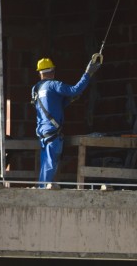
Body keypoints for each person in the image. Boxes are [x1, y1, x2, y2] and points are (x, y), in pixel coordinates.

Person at [32, 55, 101, 188]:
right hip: (52, 133)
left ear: (39, 73)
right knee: (50, 165)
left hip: (42, 133)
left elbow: (50, 106)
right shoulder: (53, 85)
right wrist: (88, 73)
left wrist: (69, 100)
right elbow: (75, 89)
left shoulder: (35, 90)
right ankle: (42, 192)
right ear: (52, 71)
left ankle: (41, 188)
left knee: (45, 164)